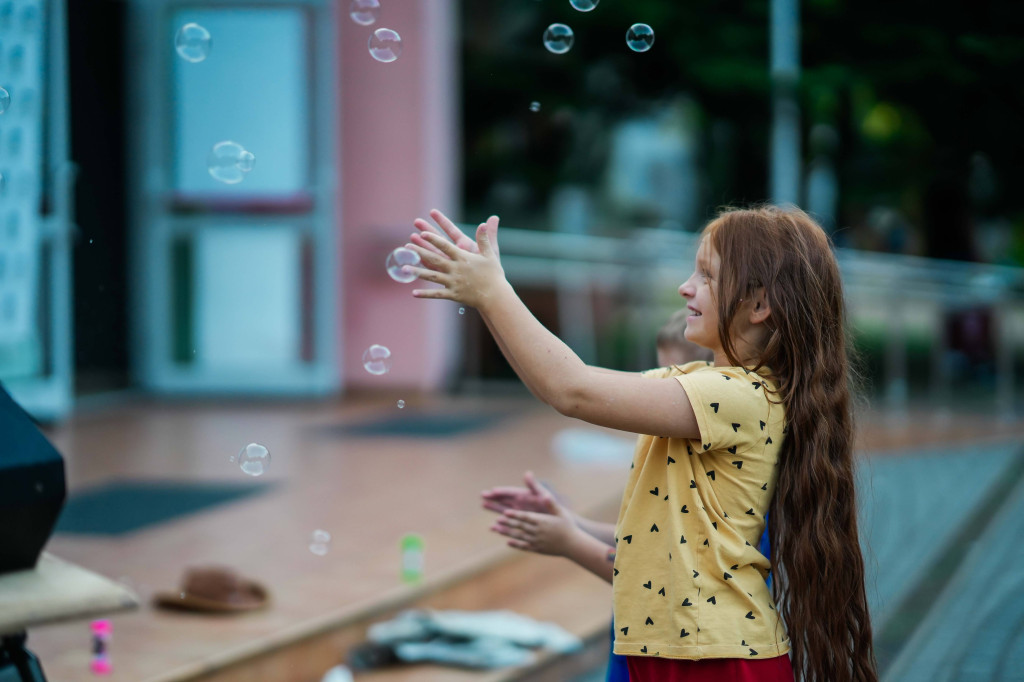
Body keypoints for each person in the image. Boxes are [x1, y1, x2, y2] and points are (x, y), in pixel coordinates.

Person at [407, 206, 877, 682]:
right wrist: (487, 296)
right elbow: (562, 387)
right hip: (681, 649)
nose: (685, 287)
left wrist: (492, 290)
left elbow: (572, 390)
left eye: (708, 276)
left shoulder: (737, 396)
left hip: (715, 659)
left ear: (758, 306)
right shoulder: (706, 383)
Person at [481, 312, 714, 682]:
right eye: (656, 377)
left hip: (679, 657)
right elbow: (649, 542)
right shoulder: (679, 453)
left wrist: (570, 542)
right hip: (637, 643)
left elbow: (667, 581)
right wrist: (570, 521)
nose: (652, 399)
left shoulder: (723, 480)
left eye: (672, 384)